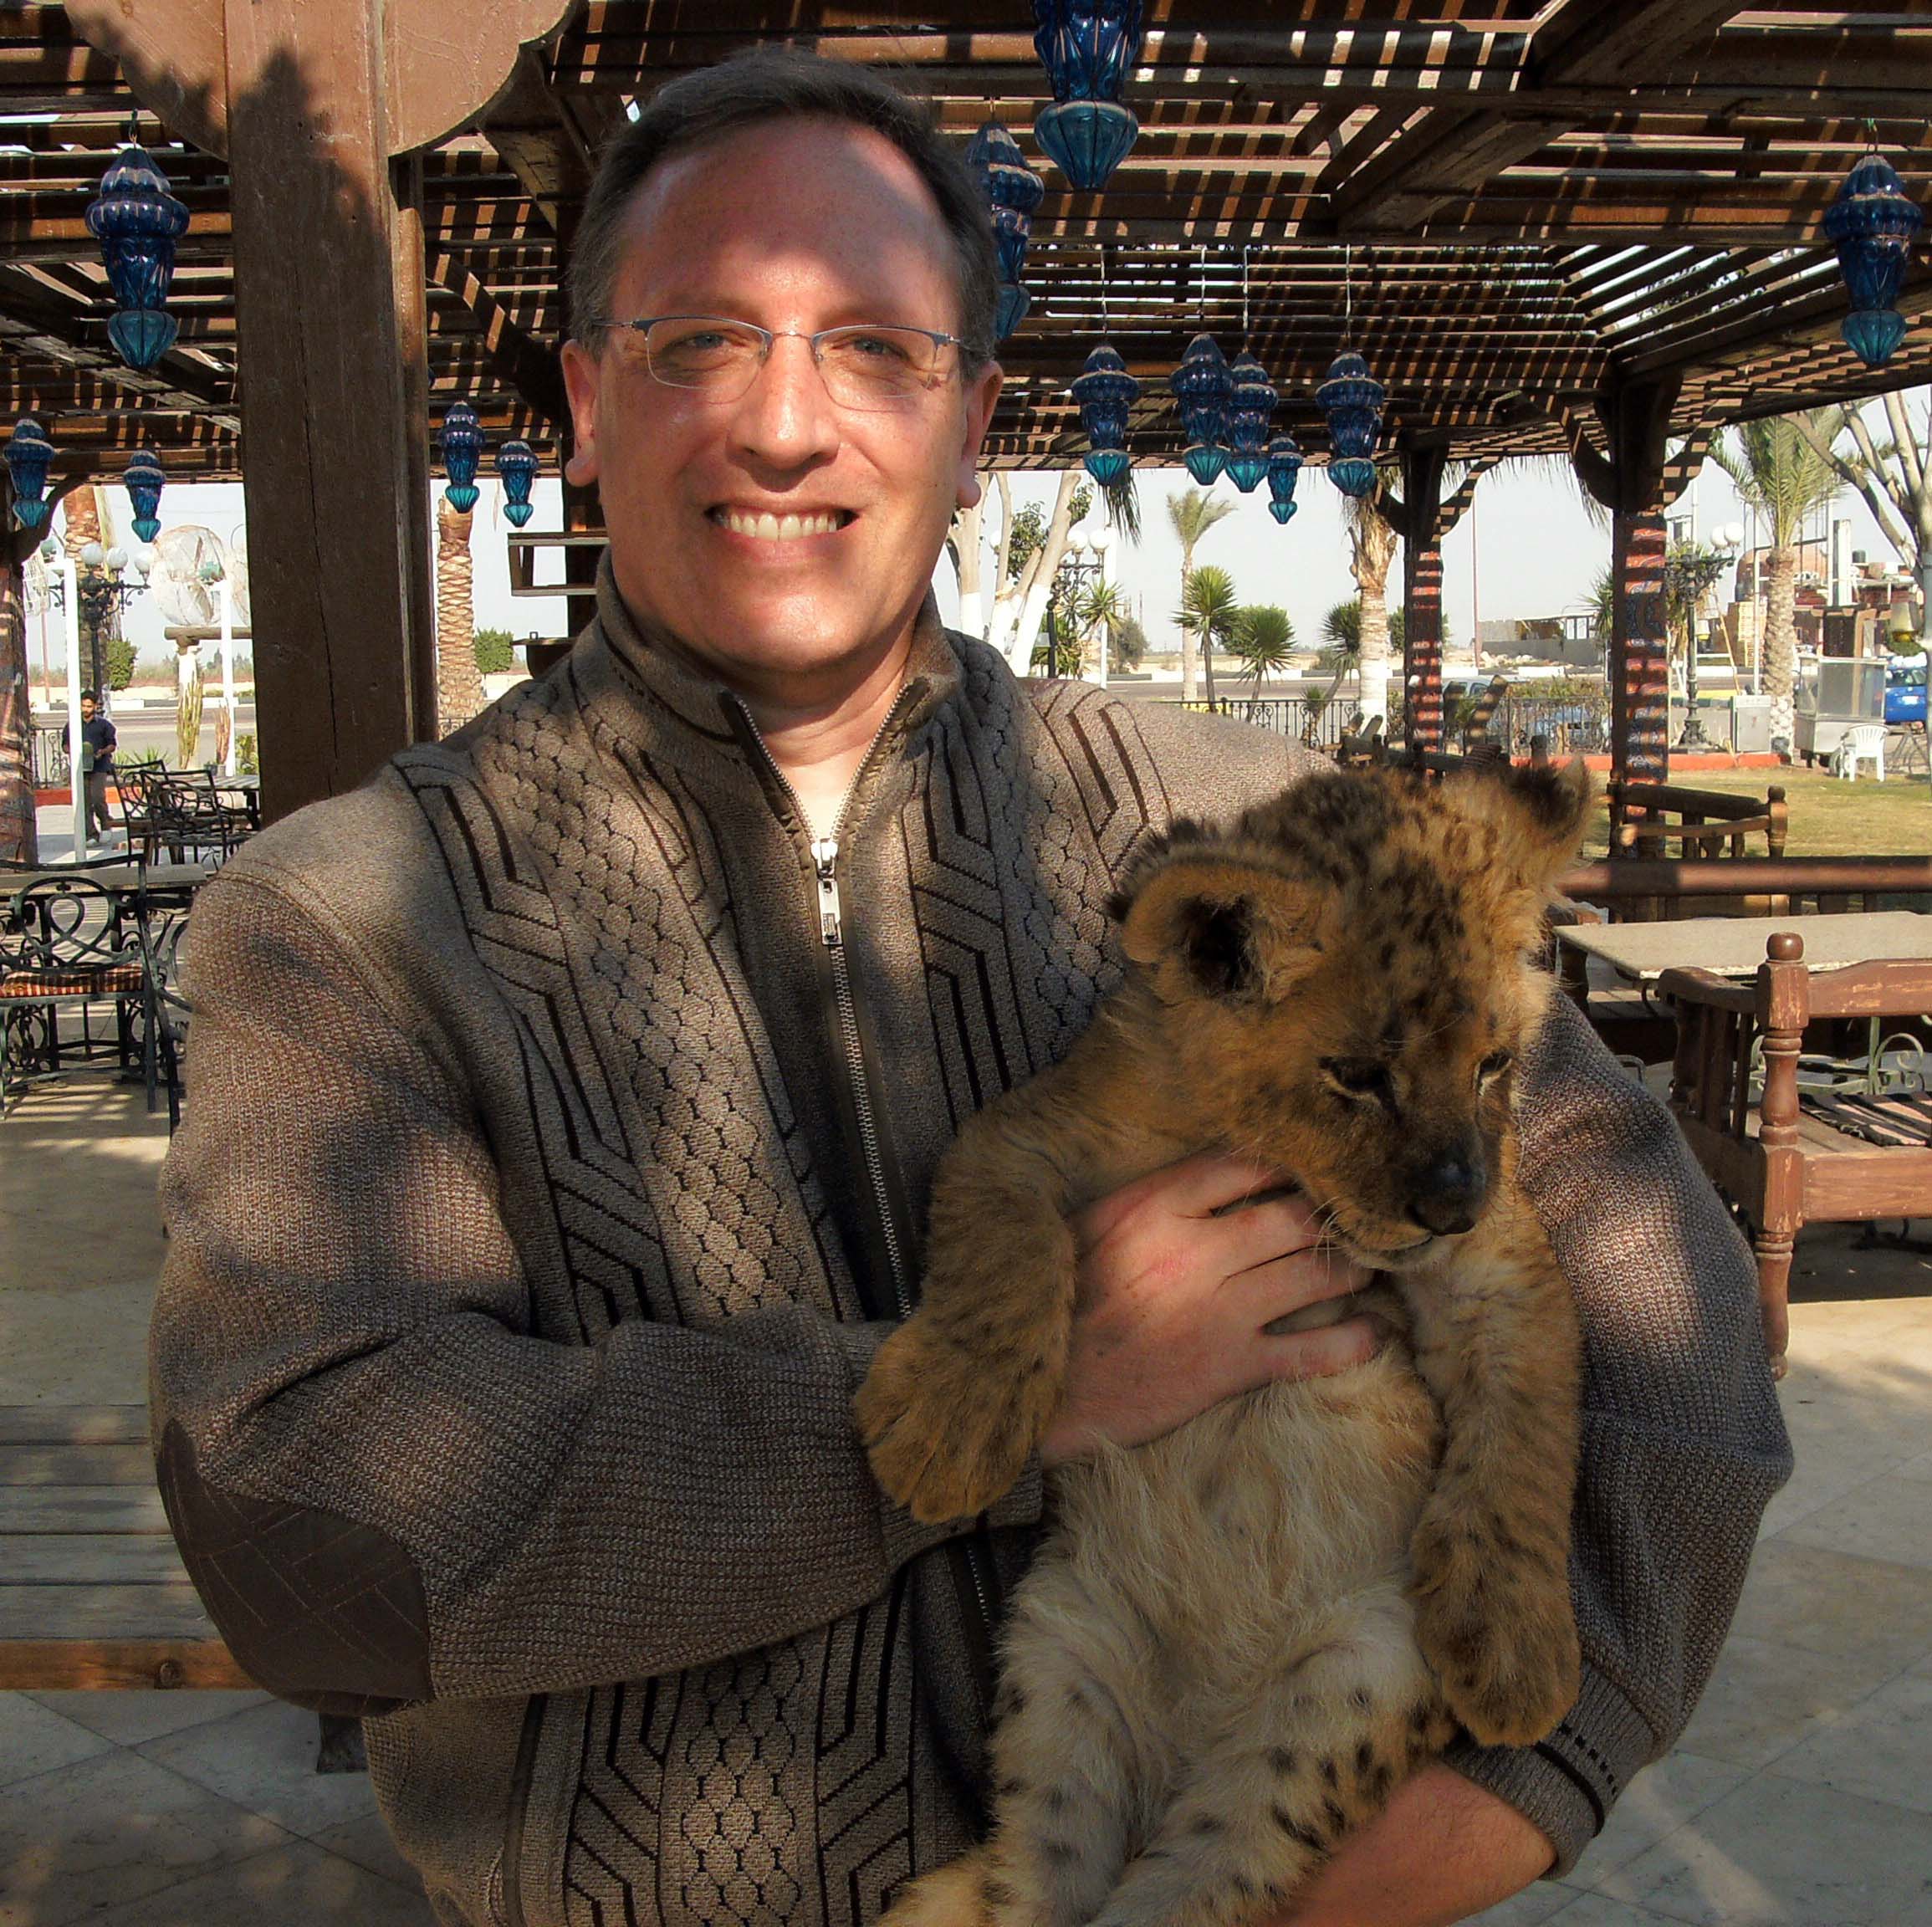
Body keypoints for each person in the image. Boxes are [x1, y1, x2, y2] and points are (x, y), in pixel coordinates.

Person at [149, 49, 1791, 1927]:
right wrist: (1012, 1385)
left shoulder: (1252, 833)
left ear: (974, 421)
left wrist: (1514, 1784)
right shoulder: (347, 921)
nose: (786, 426)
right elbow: (306, 1536)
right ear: (588, 407)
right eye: (699, 344)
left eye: (875, 347)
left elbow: (1676, 1337)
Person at [78, 689, 118, 847]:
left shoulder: (104, 725)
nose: (86, 709)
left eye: (89, 706)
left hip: (99, 766)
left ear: (95, 706)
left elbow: (112, 745)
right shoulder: (73, 725)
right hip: (81, 767)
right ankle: (90, 833)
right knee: (85, 801)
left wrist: (102, 752)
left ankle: (105, 824)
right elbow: (65, 745)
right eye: (83, 706)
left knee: (97, 798)